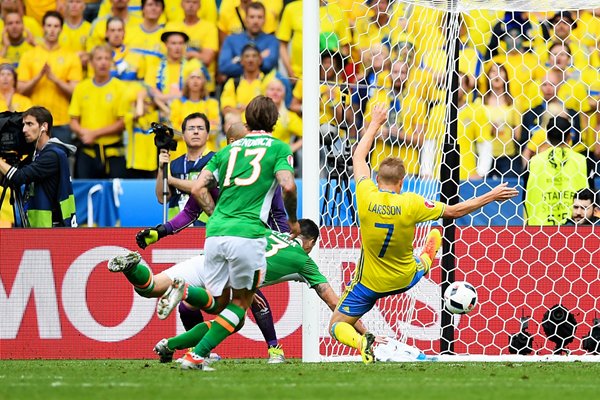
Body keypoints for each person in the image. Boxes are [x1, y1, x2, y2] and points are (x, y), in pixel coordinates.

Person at [329, 103, 519, 364]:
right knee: (434, 238)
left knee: (337, 325)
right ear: (401, 182)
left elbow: (358, 157)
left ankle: (364, 343)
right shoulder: (412, 202)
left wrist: (375, 122)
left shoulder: (364, 194)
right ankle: (430, 254)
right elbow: (454, 210)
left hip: (369, 284)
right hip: (406, 277)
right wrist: (491, 194)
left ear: (377, 178)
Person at [173, 95, 298, 370]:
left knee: (219, 304)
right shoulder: (278, 148)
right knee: (241, 303)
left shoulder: (225, 152)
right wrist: (294, 221)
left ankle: (186, 292)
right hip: (248, 234)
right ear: (275, 121)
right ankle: (196, 355)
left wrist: (215, 212)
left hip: (214, 232)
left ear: (247, 120)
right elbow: (287, 186)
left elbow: (197, 188)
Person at [0, 106, 77, 227]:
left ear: (44, 126)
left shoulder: (52, 155)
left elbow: (19, 177)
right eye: (23, 125)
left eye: (30, 124)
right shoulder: (37, 154)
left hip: (53, 226)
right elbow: (9, 179)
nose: (24, 129)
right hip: (40, 224)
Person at [17, 11, 83, 146]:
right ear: (43, 28)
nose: (52, 30)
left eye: (56, 26)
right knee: (33, 165)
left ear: (61, 29)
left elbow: (76, 91)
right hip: (34, 122)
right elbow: (20, 88)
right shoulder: (29, 55)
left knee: (63, 164)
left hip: (61, 121)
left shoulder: (71, 56)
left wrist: (54, 79)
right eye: (49, 26)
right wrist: (38, 77)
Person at [69, 44, 128, 179]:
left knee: (114, 193)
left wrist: (94, 134)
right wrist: (83, 132)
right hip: (87, 150)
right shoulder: (81, 87)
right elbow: (73, 120)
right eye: (99, 58)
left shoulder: (120, 87)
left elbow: (122, 122)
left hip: (113, 152)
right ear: (91, 62)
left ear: (111, 63)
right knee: (84, 190)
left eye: (107, 59)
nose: (103, 62)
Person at [523, 116, 595, 226]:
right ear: (569, 137)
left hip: (539, 231)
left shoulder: (534, 162)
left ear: (546, 136)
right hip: (575, 231)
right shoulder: (583, 161)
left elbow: (525, 198)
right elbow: (592, 197)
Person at [155, 112, 215, 222]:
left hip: (205, 228)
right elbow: (161, 198)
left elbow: (199, 187)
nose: (196, 132)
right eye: (191, 128)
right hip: (176, 228)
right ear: (183, 135)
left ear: (207, 135)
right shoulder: (174, 164)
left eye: (200, 128)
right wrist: (161, 169)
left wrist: (171, 180)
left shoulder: (215, 160)